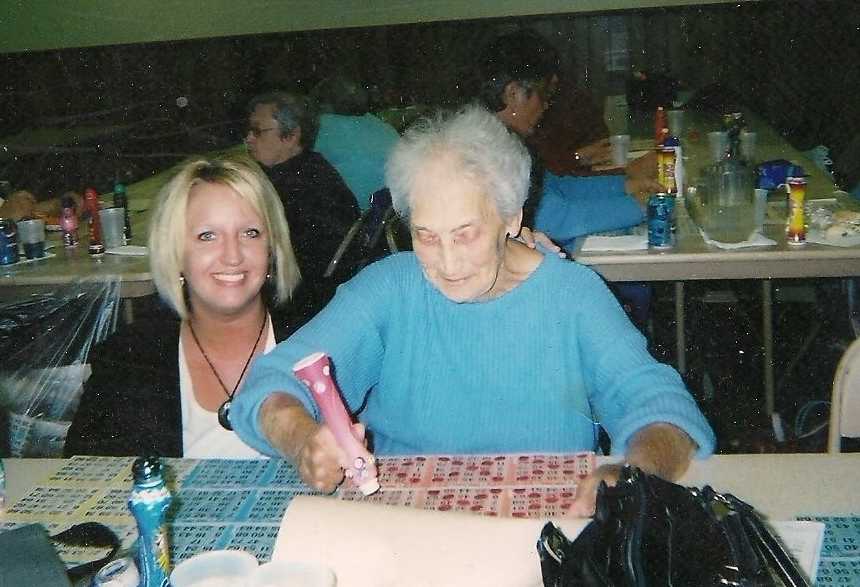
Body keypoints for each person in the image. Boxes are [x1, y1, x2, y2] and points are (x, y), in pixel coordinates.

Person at [230, 106, 715, 513]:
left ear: (511, 217)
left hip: (540, 528)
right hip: (405, 531)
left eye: (466, 233)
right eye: (426, 235)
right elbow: (269, 384)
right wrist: (301, 439)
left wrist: (633, 475)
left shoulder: (573, 296)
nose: (446, 262)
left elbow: (663, 409)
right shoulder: (389, 289)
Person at [65, 155, 301, 458]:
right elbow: (86, 477)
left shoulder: (320, 344)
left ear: (272, 249)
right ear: (175, 253)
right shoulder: (127, 360)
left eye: (250, 233)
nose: (232, 256)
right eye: (207, 236)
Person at [477, 30, 661, 252]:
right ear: (513, 94)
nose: (545, 106)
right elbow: (552, 220)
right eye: (542, 95)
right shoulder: (483, 149)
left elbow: (559, 186)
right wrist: (639, 205)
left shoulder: (502, 137)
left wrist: (627, 185)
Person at [245, 91, 360, 324]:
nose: (248, 138)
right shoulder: (314, 167)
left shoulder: (288, 189)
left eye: (258, 131)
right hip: (330, 291)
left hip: (300, 304)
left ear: (291, 135)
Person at [311, 75, 401, 211]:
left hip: (354, 219)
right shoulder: (381, 125)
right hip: (391, 217)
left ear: (323, 104)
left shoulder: (322, 127)